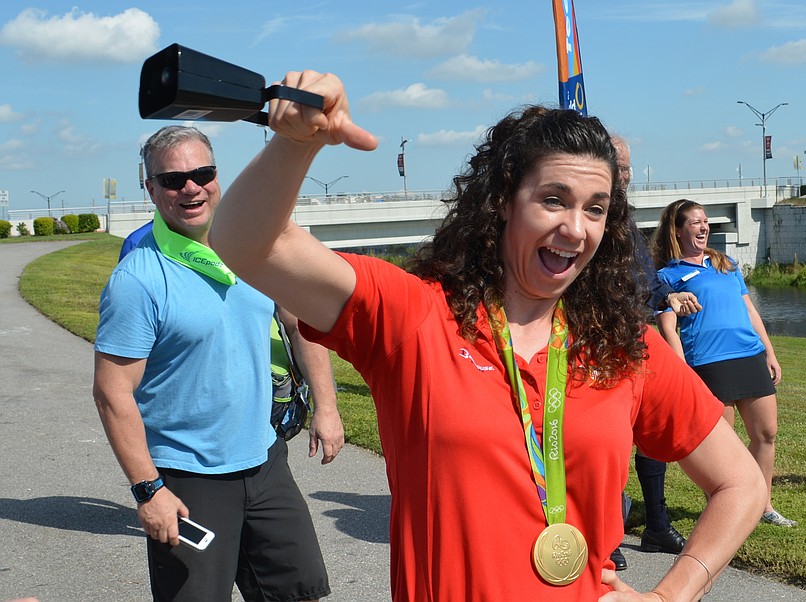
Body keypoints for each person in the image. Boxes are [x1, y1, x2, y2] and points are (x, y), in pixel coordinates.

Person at [209, 71, 767, 601]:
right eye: (553, 199)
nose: (575, 228)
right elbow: (246, 245)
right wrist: (295, 144)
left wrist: (674, 591)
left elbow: (742, 484)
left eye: (595, 209)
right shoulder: (413, 316)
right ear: (502, 200)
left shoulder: (624, 349)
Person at [92, 125, 345, 601]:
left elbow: (301, 325)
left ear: (216, 175)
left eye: (201, 172)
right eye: (171, 179)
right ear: (150, 188)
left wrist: (327, 408)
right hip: (188, 476)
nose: (190, 187)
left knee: (297, 591)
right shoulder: (138, 279)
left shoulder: (254, 246)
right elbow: (112, 392)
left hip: (265, 460)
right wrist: (149, 491)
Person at [651, 198, 797, 528]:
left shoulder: (725, 264)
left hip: (748, 355)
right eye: (695, 222)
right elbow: (667, 327)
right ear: (678, 230)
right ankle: (724, 509)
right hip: (708, 363)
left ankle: (763, 506)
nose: (704, 227)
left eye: (706, 222)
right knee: (723, 447)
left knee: (767, 434)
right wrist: (681, 369)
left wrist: (769, 351)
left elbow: (749, 310)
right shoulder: (666, 277)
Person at [608, 137, 702, 570]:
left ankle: (656, 525)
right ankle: (604, 533)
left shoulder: (622, 215)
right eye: (619, 167)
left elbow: (642, 275)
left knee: (648, 433)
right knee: (608, 440)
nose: (625, 176)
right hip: (598, 341)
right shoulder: (594, 214)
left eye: (628, 169)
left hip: (635, 339)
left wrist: (668, 295)